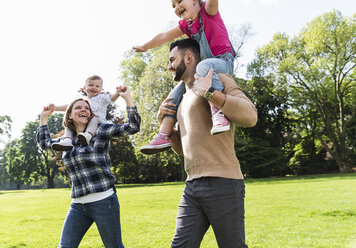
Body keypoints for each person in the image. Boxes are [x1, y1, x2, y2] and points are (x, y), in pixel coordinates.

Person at [156, 39, 257, 247]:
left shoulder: (217, 78)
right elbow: (184, 150)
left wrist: (211, 93)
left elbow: (250, 116)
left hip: (223, 182)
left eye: (172, 60)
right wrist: (167, 129)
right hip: (192, 186)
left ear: (189, 57)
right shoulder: (182, 100)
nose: (169, 66)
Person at [36, 86, 140, 248]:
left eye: (87, 108)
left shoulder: (101, 131)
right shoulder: (65, 141)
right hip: (78, 204)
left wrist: (128, 99)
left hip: (104, 201)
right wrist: (43, 119)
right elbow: (45, 143)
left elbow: (132, 127)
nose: (84, 109)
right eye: (78, 107)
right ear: (69, 115)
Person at [135, 0, 236, 154]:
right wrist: (145, 47)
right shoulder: (186, 25)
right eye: (173, 5)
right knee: (174, 93)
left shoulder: (208, 11)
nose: (176, 7)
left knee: (202, 66)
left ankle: (218, 113)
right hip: (204, 70)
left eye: (179, 1)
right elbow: (164, 36)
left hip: (223, 61)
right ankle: (163, 134)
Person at [51, 75, 120, 151]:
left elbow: (111, 98)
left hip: (98, 124)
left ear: (101, 89)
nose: (94, 87)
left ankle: (88, 135)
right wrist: (55, 108)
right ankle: (67, 141)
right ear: (85, 88)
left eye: (97, 86)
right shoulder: (83, 100)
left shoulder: (101, 97)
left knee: (94, 118)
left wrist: (117, 93)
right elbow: (69, 107)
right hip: (84, 124)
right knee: (70, 123)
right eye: (91, 85)